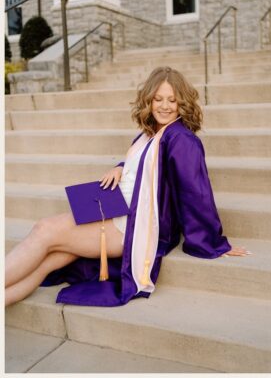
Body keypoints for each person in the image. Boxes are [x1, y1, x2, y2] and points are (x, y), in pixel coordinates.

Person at [4, 67, 245, 309]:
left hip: (131, 226)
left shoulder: (182, 140)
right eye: (158, 99)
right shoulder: (149, 134)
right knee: (49, 260)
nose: (165, 106)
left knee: (45, 229)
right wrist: (120, 168)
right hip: (117, 210)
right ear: (148, 100)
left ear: (183, 103)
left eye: (173, 100)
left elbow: (195, 194)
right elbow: (147, 165)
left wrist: (211, 242)